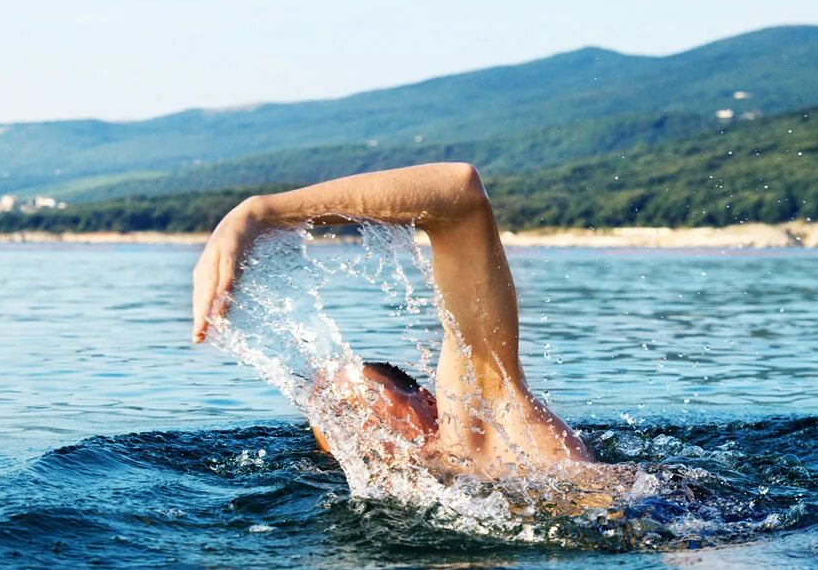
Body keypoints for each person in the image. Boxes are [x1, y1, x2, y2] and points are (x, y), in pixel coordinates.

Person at [192, 163, 631, 506]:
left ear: (427, 401)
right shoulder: (414, 492)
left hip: (670, 524)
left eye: (364, 403)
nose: (360, 427)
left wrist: (260, 213)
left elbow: (459, 194)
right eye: (339, 424)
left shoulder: (482, 424)